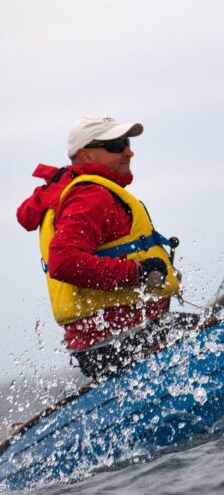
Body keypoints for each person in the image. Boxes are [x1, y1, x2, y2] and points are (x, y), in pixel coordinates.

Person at [17, 116, 188, 379]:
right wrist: (138, 272)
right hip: (121, 338)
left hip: (105, 342)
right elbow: (64, 262)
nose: (128, 152)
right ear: (85, 155)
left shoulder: (72, 192)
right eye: (117, 145)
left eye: (127, 143)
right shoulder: (90, 196)